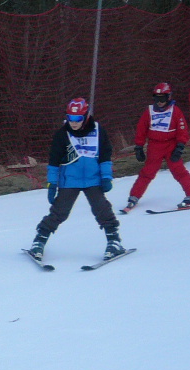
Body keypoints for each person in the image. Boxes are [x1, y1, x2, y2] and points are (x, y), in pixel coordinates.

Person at [27, 98, 126, 262]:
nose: (73, 122)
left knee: (102, 209)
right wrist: (52, 184)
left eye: (77, 118)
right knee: (59, 212)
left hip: (93, 180)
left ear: (85, 117)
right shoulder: (62, 134)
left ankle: (114, 241)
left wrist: (106, 177)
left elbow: (105, 156)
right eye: (70, 118)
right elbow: (54, 161)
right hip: (70, 181)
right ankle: (39, 240)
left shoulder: (98, 131)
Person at [120, 82, 190, 212]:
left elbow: (182, 130)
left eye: (163, 99)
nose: (160, 102)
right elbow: (141, 129)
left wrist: (180, 146)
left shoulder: (175, 111)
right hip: (155, 146)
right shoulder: (149, 112)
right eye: (157, 99)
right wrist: (139, 146)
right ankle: (134, 196)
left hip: (171, 145)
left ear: (169, 97)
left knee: (179, 171)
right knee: (147, 172)